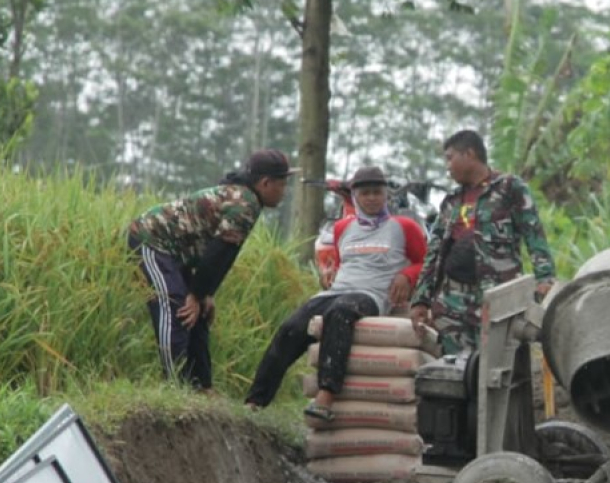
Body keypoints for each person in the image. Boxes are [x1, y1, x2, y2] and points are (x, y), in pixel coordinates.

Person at [244, 165, 428, 418]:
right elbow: (344, 264)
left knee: (340, 313)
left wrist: (406, 275)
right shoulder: (343, 228)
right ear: (355, 197)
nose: (372, 198)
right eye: (366, 193)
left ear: (386, 195)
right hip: (336, 291)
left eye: (377, 192)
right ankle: (255, 401)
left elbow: (427, 264)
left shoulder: (404, 227)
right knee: (291, 328)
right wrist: (329, 277)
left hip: (371, 296)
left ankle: (326, 396)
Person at [127, 148, 295, 392]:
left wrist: (205, 294)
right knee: (176, 306)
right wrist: (196, 295)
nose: (284, 191)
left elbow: (223, 255)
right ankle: (174, 385)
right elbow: (218, 253)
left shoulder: (247, 200)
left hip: (179, 251)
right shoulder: (243, 204)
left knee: (200, 314)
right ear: (266, 183)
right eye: (282, 184)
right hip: (152, 239)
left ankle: (202, 386)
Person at [409, 129, 556, 355]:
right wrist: (421, 299)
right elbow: (434, 253)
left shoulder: (509, 188)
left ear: (469, 154)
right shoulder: (451, 201)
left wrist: (545, 278)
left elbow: (534, 234)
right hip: (453, 301)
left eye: (450, 158)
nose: (447, 167)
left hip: (498, 296)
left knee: (500, 364)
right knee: (455, 368)